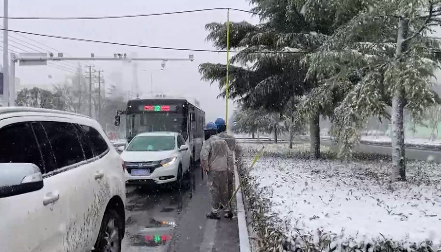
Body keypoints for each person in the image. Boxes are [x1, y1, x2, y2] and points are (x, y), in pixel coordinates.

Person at [200, 124, 232, 219]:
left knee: (214, 191)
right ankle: (228, 210)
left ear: (209, 132)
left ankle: (214, 212)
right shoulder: (223, 141)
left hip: (214, 170)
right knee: (224, 190)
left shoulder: (208, 142)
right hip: (224, 169)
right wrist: (228, 167)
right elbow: (229, 155)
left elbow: (203, 156)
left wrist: (205, 168)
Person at [214, 118, 236, 219]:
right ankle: (228, 207)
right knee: (229, 187)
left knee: (220, 188)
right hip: (229, 166)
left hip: (220, 166)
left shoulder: (214, 139)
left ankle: (222, 207)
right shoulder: (231, 138)